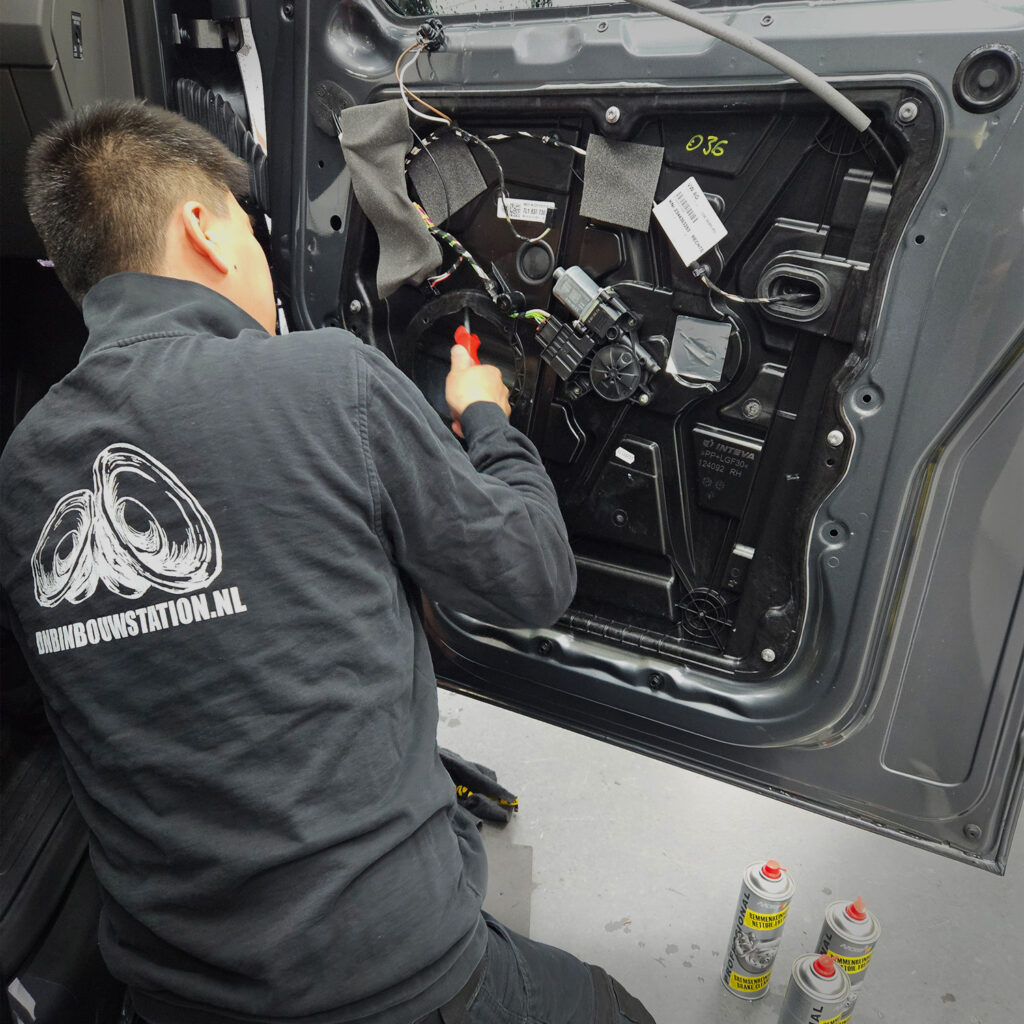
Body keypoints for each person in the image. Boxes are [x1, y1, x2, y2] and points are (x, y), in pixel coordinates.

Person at [0, 101, 657, 1024]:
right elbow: (533, 576)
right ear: (204, 227)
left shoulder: (22, 467)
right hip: (388, 983)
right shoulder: (324, 377)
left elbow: (52, 704)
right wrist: (487, 416)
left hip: (167, 998)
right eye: (250, 229)